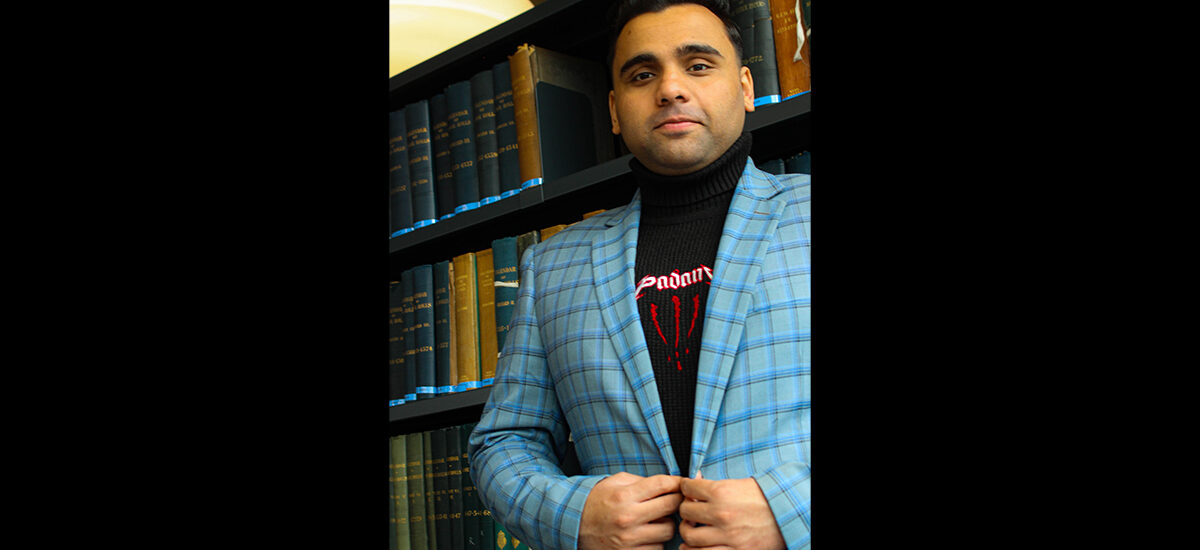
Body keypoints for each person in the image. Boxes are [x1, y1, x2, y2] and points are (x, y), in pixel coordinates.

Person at [469, 1, 810, 549]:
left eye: (698, 65)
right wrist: (574, 515)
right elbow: (505, 441)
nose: (671, 89)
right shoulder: (552, 264)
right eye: (642, 74)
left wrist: (794, 509)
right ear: (613, 108)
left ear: (746, 87)